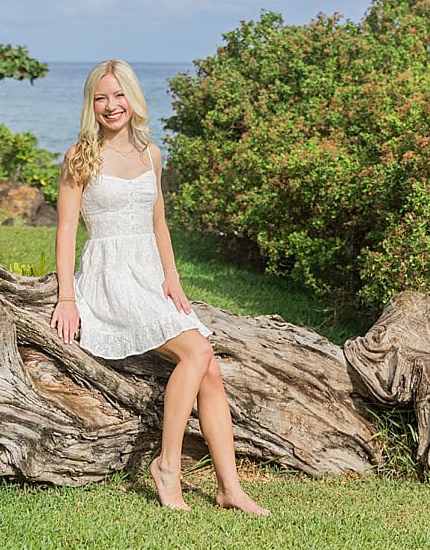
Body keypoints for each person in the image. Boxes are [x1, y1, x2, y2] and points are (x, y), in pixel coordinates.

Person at [50, 58, 269, 515]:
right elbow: (66, 230)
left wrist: (172, 277)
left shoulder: (151, 154)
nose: (112, 105)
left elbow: (159, 223)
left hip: (150, 276)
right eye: (101, 98)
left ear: (133, 98)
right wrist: (67, 298)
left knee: (210, 369)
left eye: (119, 95)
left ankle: (229, 488)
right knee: (197, 352)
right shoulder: (79, 157)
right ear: (91, 104)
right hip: (110, 277)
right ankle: (168, 466)